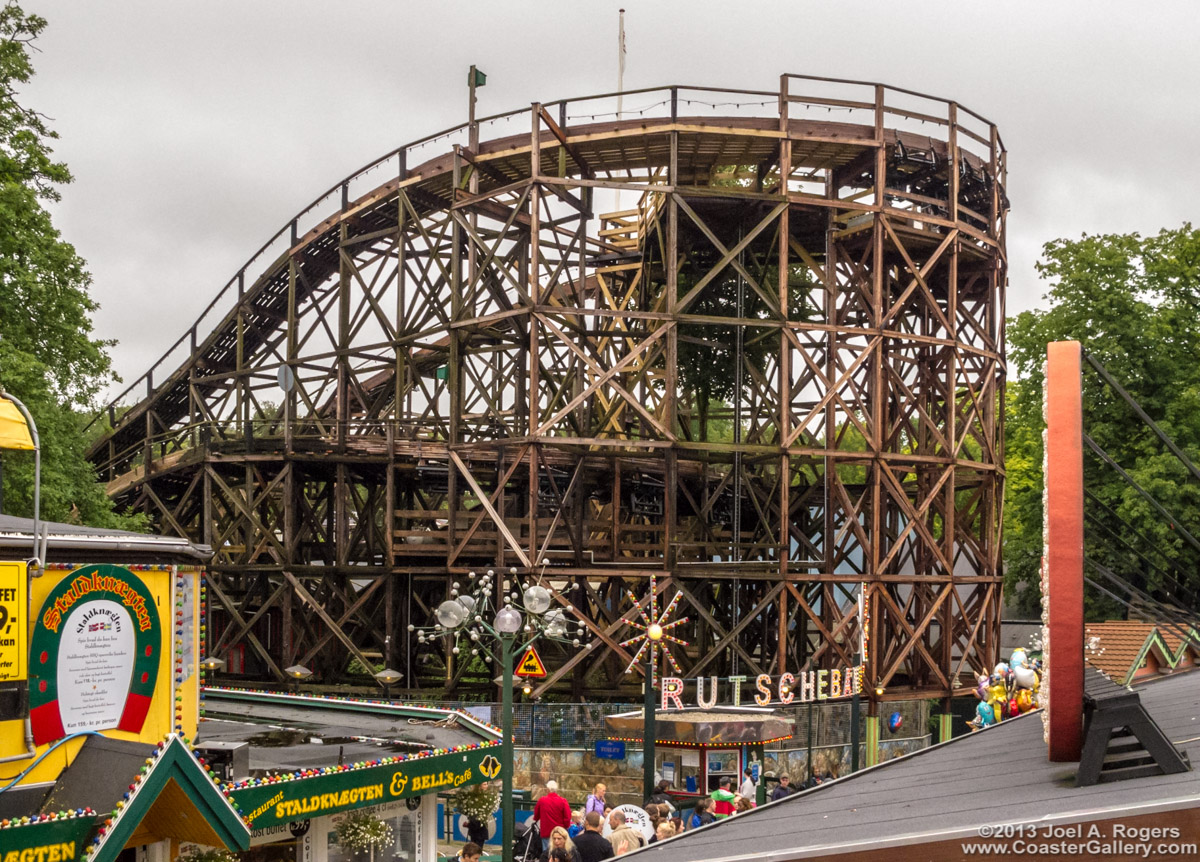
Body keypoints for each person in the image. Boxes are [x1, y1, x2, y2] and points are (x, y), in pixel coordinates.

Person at [534, 780, 573, 851]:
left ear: (548, 789)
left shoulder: (542, 800)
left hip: (546, 832)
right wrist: (566, 828)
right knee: (560, 853)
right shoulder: (563, 801)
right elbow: (567, 818)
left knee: (547, 853)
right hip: (560, 833)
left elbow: (536, 816)